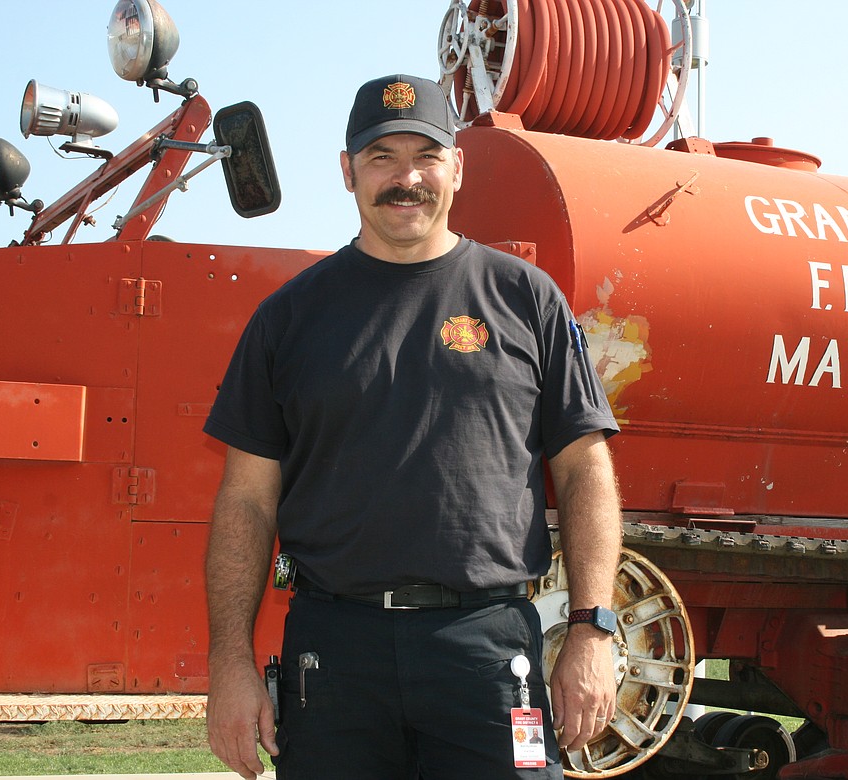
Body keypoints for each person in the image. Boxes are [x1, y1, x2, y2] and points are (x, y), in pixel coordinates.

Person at [204, 73, 622, 779]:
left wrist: (591, 629)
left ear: (457, 167)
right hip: (334, 657)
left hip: (487, 650)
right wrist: (231, 665)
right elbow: (245, 500)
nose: (406, 179)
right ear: (347, 172)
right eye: (380, 158)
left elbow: (584, 471)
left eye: (426, 156)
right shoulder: (288, 319)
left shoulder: (526, 300)